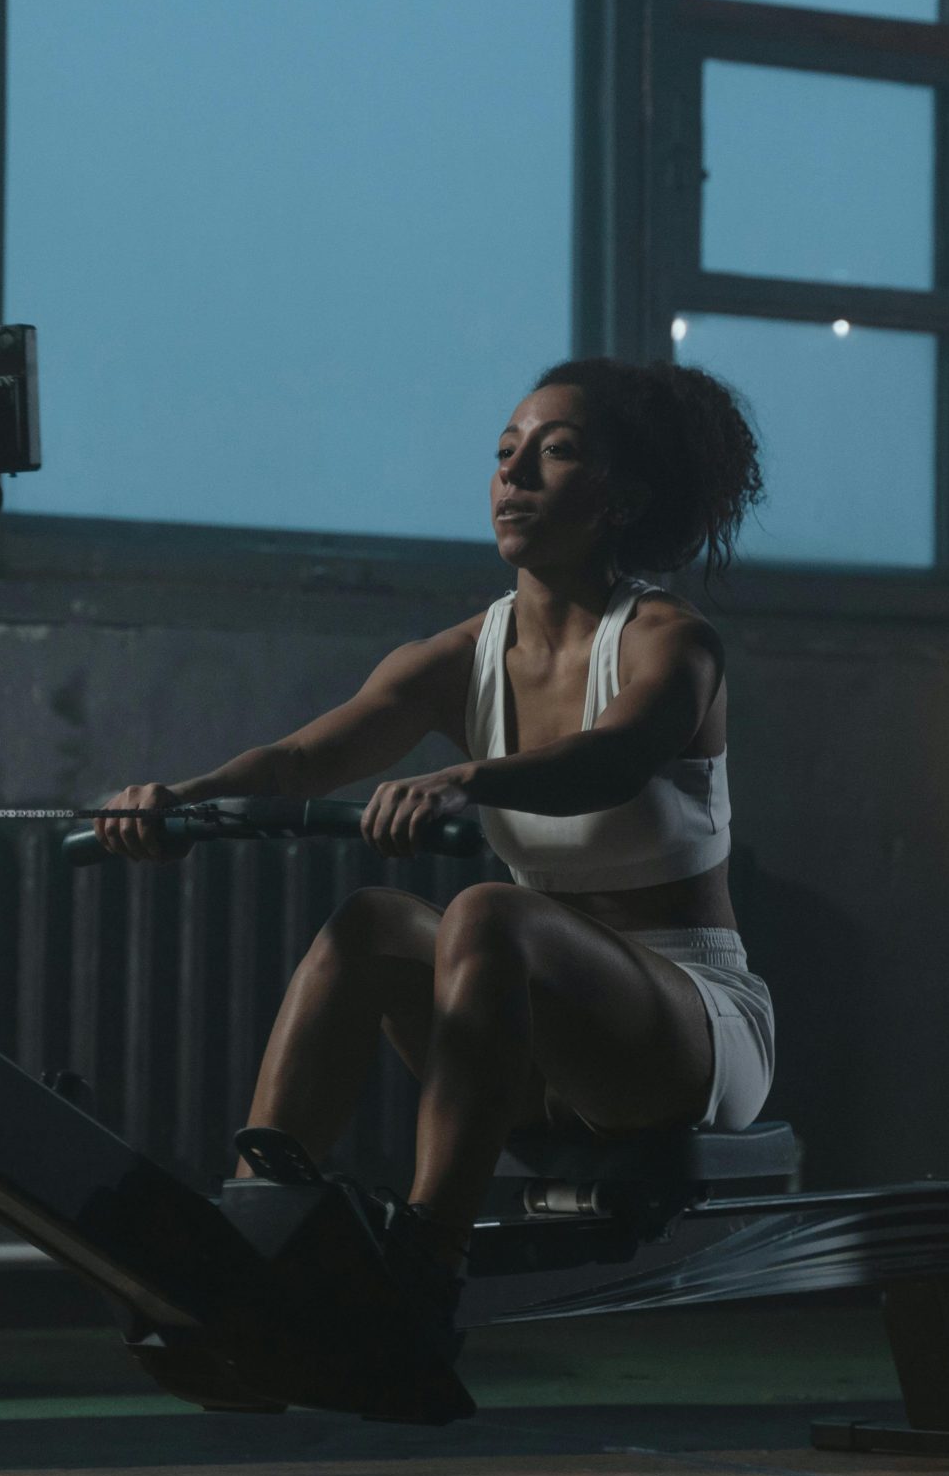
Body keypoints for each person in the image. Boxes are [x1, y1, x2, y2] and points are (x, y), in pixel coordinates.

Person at [97, 356, 774, 1349]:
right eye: (505, 456)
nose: (516, 477)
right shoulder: (459, 659)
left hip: (687, 1030)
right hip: (529, 1036)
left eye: (556, 454)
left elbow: (611, 760)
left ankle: (422, 1274)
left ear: (622, 500)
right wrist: (179, 800)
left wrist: (468, 778)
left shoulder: (673, 643)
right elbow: (296, 761)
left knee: (487, 912)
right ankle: (251, 1236)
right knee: (373, 923)